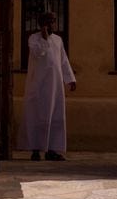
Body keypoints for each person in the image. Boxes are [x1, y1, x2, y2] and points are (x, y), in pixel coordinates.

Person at [20, 11, 76, 161]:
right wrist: (44, 38)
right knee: (37, 116)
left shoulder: (58, 40)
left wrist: (70, 79)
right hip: (38, 85)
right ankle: (36, 149)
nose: (52, 24)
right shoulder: (34, 39)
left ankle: (52, 150)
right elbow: (38, 53)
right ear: (42, 24)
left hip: (55, 86)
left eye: (54, 21)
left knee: (56, 117)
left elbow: (63, 60)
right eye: (49, 21)